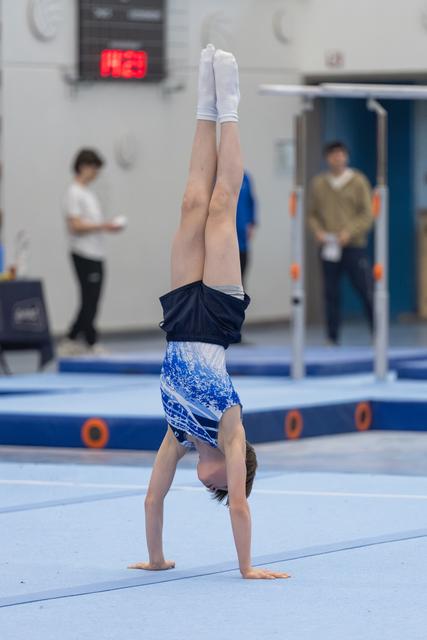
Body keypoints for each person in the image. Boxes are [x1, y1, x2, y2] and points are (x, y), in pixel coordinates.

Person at [128, 46, 289, 581]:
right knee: (223, 204)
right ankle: (231, 105)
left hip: (178, 321)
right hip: (217, 317)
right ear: (234, 472)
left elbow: (153, 500)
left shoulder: (176, 434)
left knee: (190, 204)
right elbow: (241, 508)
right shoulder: (231, 431)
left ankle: (203, 100)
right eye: (220, 486)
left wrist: (156, 558)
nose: (212, 489)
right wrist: (246, 568)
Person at [308, 141, 374, 345]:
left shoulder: (358, 181)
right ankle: (332, 336)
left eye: (341, 154)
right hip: (328, 247)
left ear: (346, 157)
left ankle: (378, 333)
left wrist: (350, 232)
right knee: (330, 293)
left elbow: (367, 213)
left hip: (353, 245)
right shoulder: (319, 183)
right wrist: (318, 231)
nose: (338, 158)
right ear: (327, 158)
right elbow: (312, 214)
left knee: (365, 289)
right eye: (333, 154)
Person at [59, 149, 122, 356]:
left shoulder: (88, 193)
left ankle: (73, 337)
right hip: (83, 253)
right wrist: (104, 226)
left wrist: (104, 227)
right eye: (94, 168)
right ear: (84, 166)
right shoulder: (74, 193)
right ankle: (90, 341)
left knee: (91, 299)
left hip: (96, 253)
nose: (96, 173)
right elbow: (75, 225)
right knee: (89, 298)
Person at [236, 171, 257, 285]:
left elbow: (252, 202)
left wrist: (251, 224)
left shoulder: (245, 178)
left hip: (242, 241)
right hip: (223, 244)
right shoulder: (216, 177)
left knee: (241, 282)